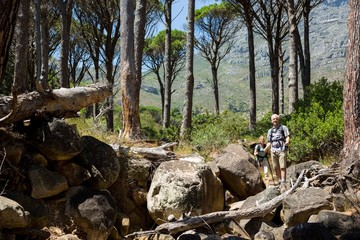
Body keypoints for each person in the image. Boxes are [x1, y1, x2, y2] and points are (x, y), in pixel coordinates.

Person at [265, 114, 290, 186]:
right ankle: (279, 179)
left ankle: (283, 180)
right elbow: (269, 142)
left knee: (282, 166)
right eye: (273, 119)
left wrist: (287, 142)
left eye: (276, 119)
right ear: (271, 120)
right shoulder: (270, 131)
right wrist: (266, 149)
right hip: (273, 150)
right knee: (275, 167)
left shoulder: (283, 127)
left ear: (278, 120)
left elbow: (287, 136)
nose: (275, 120)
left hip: (282, 149)